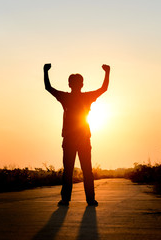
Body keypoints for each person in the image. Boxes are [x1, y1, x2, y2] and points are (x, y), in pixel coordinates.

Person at [43, 63, 110, 206]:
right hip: (78, 138)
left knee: (71, 171)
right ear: (81, 84)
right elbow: (104, 88)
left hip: (77, 139)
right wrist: (107, 72)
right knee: (85, 170)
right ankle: (88, 199)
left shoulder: (66, 97)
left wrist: (45, 71)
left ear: (70, 84)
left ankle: (68, 199)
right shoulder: (82, 97)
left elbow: (48, 88)